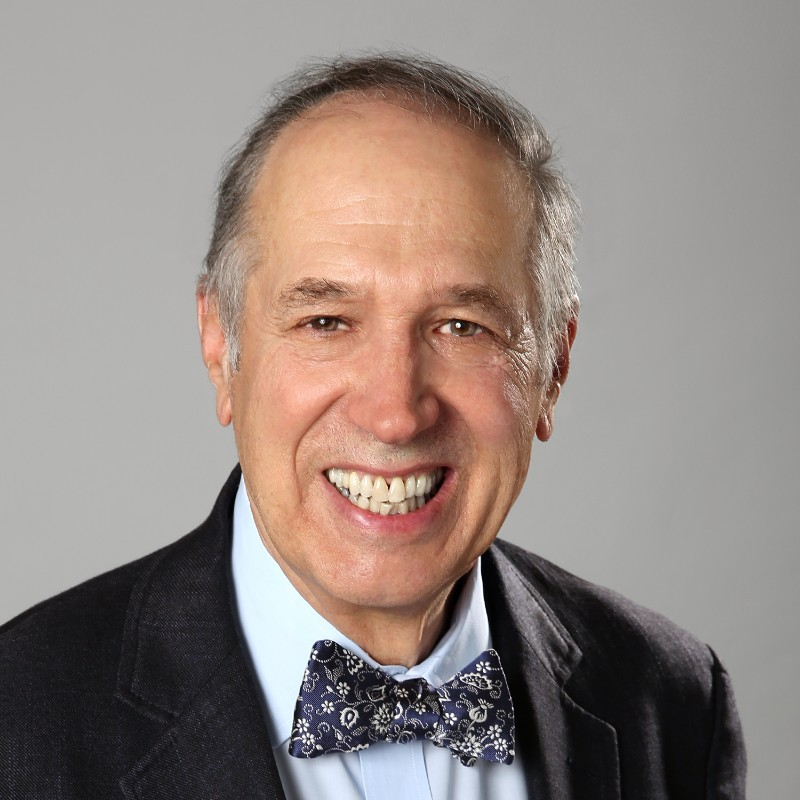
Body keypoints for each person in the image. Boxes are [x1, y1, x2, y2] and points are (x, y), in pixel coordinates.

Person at [0, 54, 745, 799]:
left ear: (552, 365)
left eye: (462, 326)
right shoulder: (19, 720)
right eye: (325, 321)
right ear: (221, 345)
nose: (394, 414)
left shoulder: (671, 702)